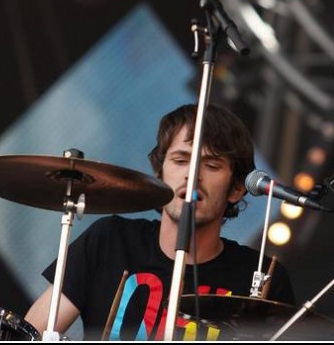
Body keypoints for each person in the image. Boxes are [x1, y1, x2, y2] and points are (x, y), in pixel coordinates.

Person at [24, 104, 295, 340]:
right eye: (180, 160)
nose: (192, 175)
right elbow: (30, 333)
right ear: (160, 172)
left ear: (236, 188)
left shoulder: (264, 277)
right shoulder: (111, 240)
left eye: (211, 165)